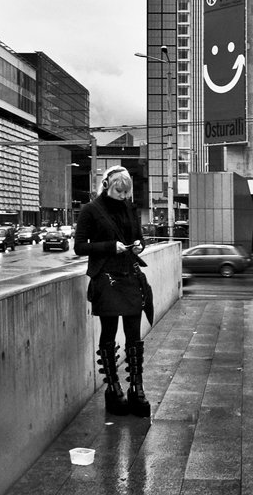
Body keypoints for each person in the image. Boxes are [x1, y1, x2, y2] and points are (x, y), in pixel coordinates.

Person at [74, 165, 151, 417]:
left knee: (134, 335)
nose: (123, 197)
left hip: (129, 276)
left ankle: (136, 389)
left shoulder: (129, 208)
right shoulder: (91, 210)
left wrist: (138, 245)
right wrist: (110, 246)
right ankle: (113, 389)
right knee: (108, 333)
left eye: (126, 193)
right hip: (106, 278)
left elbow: (139, 238)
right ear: (107, 186)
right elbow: (79, 247)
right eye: (119, 192)